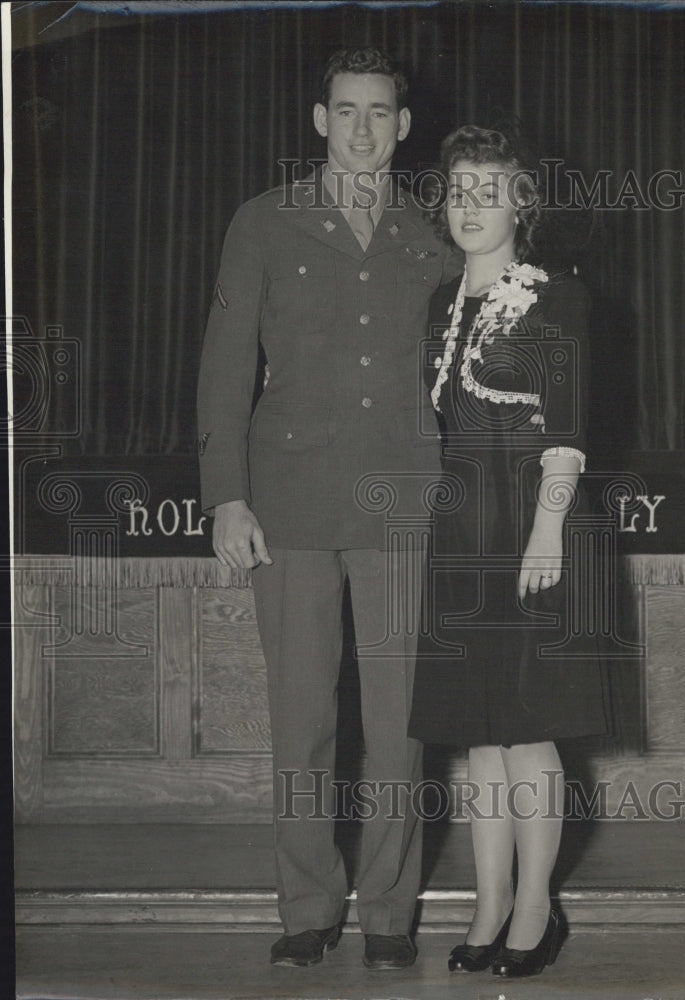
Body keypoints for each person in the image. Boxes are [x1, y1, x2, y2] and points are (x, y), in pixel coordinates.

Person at [197, 48, 455, 971]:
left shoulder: (434, 232)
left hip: (404, 507)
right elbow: (226, 365)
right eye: (345, 111)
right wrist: (227, 494)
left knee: (400, 727)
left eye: (379, 113)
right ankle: (307, 906)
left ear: (403, 126)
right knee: (301, 719)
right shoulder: (264, 224)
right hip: (292, 502)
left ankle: (390, 914)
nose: (361, 129)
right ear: (318, 120)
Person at [409, 125, 610, 979]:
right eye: (460, 191)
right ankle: (488, 904)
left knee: (528, 734)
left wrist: (546, 531)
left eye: (489, 191)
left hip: (537, 529)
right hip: (462, 533)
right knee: (479, 740)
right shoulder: (438, 303)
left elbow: (564, 435)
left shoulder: (558, 298)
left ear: (521, 203)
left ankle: (536, 910)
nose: (471, 207)